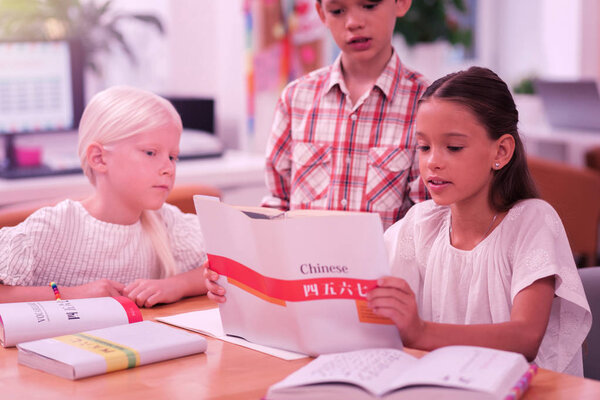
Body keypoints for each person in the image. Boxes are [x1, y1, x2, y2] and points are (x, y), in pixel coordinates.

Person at [367, 67, 592, 375]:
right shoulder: (420, 225)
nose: (432, 161)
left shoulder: (532, 222)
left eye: (453, 147)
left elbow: (525, 337)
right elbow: (364, 289)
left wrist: (420, 331)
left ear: (500, 151)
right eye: (424, 147)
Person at [0, 86, 208, 307]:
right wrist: (73, 294)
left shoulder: (167, 222)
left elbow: (228, 268)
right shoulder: (54, 227)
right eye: (150, 153)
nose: (168, 168)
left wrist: (176, 285)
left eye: (172, 156)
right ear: (98, 158)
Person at [262, 0, 428, 230]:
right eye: (338, 11)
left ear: (401, 3)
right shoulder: (295, 98)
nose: (353, 23)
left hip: (385, 265)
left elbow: (426, 221)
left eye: (369, 6)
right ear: (321, 13)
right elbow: (276, 204)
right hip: (302, 264)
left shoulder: (426, 104)